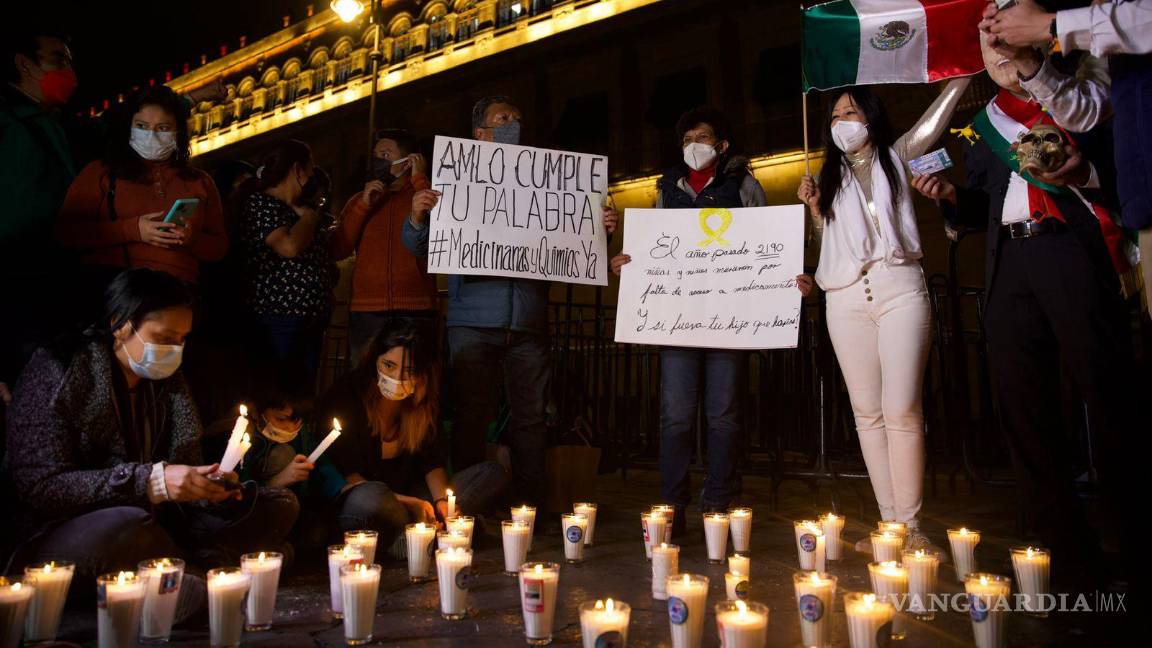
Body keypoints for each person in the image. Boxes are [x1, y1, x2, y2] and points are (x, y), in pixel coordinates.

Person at [910, 31, 1136, 587]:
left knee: (1107, 393)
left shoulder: (1083, 95)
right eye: (990, 52)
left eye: (1008, 48)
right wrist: (951, 197)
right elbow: (985, 202)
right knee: (1023, 403)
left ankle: (1135, 538)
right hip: (1010, 259)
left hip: (1071, 247)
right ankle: (1063, 546)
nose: (1000, 59)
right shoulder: (987, 123)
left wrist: (1082, 173)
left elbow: (1119, 171)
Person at [4, 268, 299, 600]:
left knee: (277, 504)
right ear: (120, 325)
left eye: (182, 339)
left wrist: (206, 486)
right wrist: (150, 481)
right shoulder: (60, 372)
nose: (175, 349)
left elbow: (182, 467)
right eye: (164, 337)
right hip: (70, 530)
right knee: (129, 527)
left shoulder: (166, 384)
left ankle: (194, 571)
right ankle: (204, 572)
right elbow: (41, 487)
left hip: (163, 522)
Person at [403, 95, 619, 503]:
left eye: (517, 118)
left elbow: (571, 242)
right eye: (503, 118)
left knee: (531, 419)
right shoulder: (454, 181)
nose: (513, 123)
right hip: (473, 321)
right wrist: (417, 216)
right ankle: (466, 503)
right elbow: (420, 244)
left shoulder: (548, 180)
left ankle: (529, 507)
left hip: (528, 322)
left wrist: (600, 228)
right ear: (479, 133)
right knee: (471, 418)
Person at [794, 78, 971, 553]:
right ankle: (890, 525)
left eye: (849, 114)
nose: (840, 124)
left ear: (871, 117)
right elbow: (829, 244)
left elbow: (931, 126)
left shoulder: (897, 155)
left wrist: (961, 76)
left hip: (899, 289)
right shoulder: (828, 178)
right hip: (845, 299)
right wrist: (813, 210)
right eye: (834, 117)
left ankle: (912, 526)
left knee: (901, 409)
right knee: (867, 414)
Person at [609, 106, 766, 536]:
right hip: (676, 321)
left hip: (728, 322)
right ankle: (673, 505)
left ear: (722, 145)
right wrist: (630, 263)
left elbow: (768, 243)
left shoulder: (745, 185)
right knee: (675, 415)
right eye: (686, 139)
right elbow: (653, 249)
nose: (694, 144)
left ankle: (719, 499)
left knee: (724, 414)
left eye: (703, 136)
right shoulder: (666, 188)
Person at [983, 0, 1152, 316]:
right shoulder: (1109, 42)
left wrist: (1051, 25)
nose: (1098, 5)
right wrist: (1026, 59)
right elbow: (1085, 109)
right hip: (1145, 209)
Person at [317, 317, 509, 553]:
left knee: (490, 474)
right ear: (374, 359)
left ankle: (418, 536)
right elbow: (349, 477)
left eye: (408, 371)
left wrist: (441, 502)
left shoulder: (422, 404)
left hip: (414, 496)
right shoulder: (347, 396)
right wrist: (411, 503)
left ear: (421, 374)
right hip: (368, 500)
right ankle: (437, 535)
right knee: (373, 499)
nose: (397, 379)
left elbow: (433, 462)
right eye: (389, 366)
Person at [55, 85, 227, 295]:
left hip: (180, 294)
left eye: (163, 128)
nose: (151, 135)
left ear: (178, 132)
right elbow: (65, 233)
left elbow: (219, 247)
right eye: (142, 126)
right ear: (129, 127)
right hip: (117, 293)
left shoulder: (200, 181)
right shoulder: (101, 172)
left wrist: (191, 239)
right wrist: (133, 230)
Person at [0, 25, 79, 404]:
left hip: (51, 284)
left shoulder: (51, 123)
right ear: (24, 64)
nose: (68, 72)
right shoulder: (10, 124)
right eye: (57, 60)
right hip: (19, 285)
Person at [331, 129, 438, 364]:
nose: (379, 160)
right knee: (364, 383)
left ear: (409, 161)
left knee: (415, 380)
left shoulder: (425, 193)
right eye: (376, 155)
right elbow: (339, 249)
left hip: (416, 310)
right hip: (367, 311)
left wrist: (420, 179)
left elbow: (439, 229)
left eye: (386, 153)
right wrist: (363, 205)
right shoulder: (361, 199)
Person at [238, 140, 336, 382]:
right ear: (297, 170)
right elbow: (289, 246)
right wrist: (312, 217)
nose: (313, 176)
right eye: (311, 169)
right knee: (280, 389)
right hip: (280, 318)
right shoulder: (261, 204)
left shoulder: (297, 210)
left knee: (302, 392)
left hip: (310, 319)